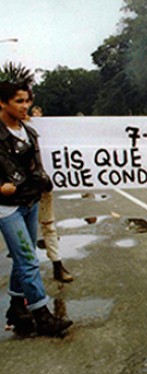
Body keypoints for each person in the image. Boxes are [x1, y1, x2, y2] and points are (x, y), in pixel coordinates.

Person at [0, 81, 72, 336]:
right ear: (2, 102)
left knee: (24, 257)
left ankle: (17, 309)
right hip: (7, 208)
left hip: (30, 202)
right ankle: (42, 315)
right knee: (29, 260)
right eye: (18, 101)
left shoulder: (28, 131)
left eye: (27, 101)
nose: (25, 106)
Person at [26, 104, 73, 282]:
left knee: (49, 226)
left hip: (42, 184)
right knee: (24, 233)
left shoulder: (42, 128)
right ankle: (26, 276)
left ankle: (57, 264)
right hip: (21, 189)